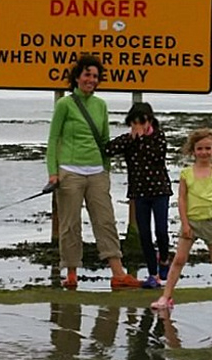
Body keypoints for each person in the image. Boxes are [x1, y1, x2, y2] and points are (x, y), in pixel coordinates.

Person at [46, 54, 141, 290]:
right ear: (77, 77)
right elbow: (53, 139)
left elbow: (106, 139)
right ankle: (71, 273)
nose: (91, 79)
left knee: (105, 221)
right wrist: (53, 173)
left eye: (95, 76)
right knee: (70, 224)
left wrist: (106, 168)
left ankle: (118, 274)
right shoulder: (64, 104)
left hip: (98, 171)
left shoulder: (101, 105)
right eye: (87, 74)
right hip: (69, 171)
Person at [151, 128, 212, 310]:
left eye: (208, 148)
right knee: (179, 259)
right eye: (200, 148)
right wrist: (185, 224)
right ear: (193, 150)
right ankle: (166, 297)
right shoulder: (186, 173)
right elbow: (182, 199)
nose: (204, 152)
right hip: (191, 222)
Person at [104, 102, 173, 289]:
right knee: (144, 234)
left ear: (149, 120)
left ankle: (165, 259)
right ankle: (153, 274)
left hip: (160, 190)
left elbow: (155, 156)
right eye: (134, 122)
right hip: (139, 193)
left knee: (161, 231)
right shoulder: (129, 139)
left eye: (142, 121)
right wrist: (130, 139)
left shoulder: (159, 136)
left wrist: (139, 139)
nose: (138, 126)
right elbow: (108, 149)